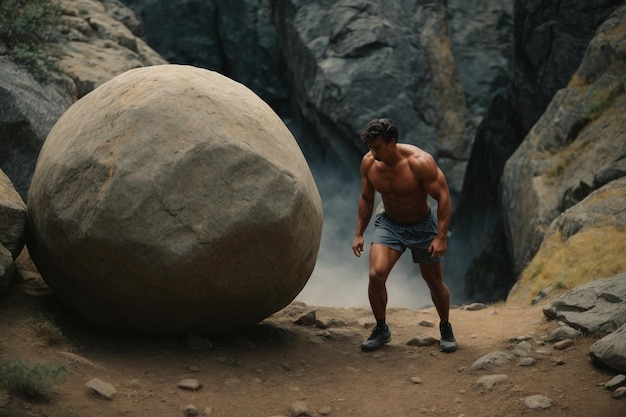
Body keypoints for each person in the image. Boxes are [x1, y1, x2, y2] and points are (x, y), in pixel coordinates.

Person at [351, 118, 457, 353]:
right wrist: (359, 233)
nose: (373, 152)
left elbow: (444, 197)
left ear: (392, 143)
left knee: (433, 282)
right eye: (370, 147)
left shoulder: (419, 162)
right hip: (389, 223)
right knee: (376, 275)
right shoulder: (369, 164)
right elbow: (367, 199)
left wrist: (440, 237)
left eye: (377, 147)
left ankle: (445, 327)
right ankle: (381, 328)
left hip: (422, 226)